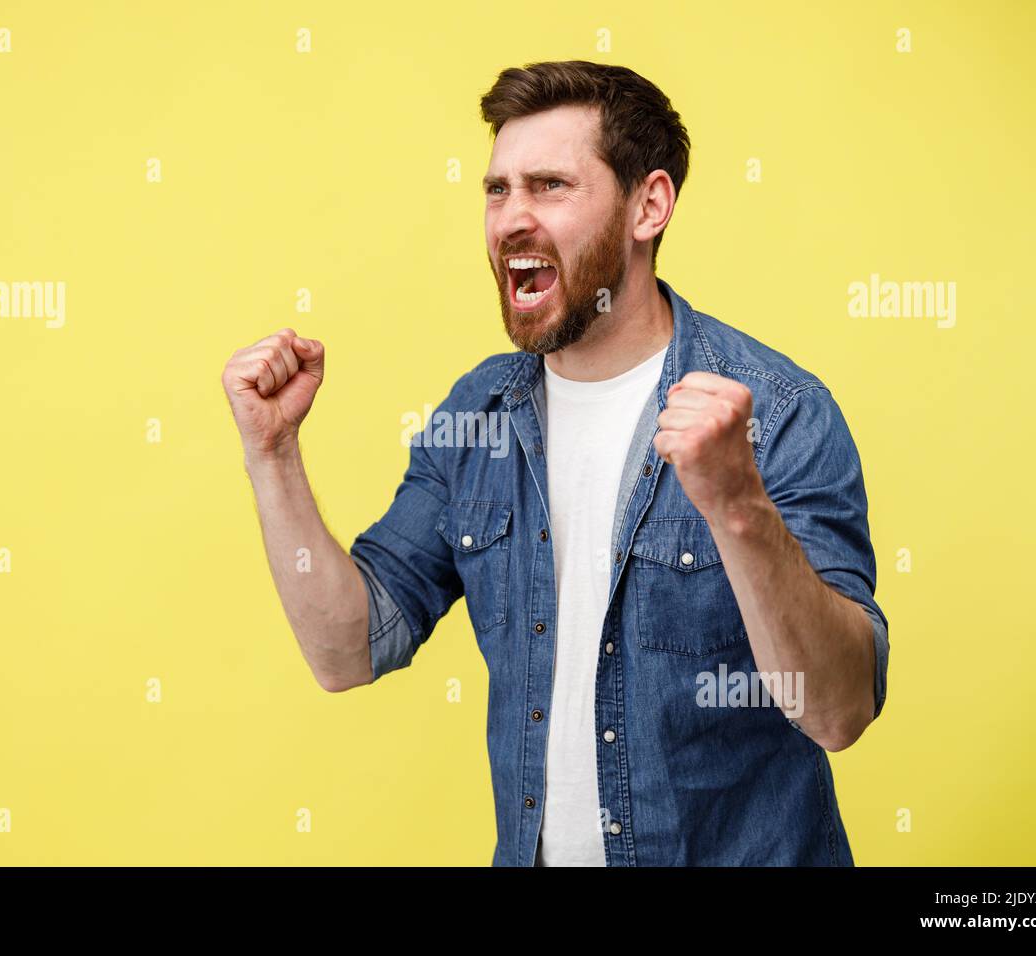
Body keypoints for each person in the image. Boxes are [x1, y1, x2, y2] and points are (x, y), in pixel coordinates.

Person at [220, 60, 889, 867]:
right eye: (497, 190)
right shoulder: (480, 418)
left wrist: (737, 503)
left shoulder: (777, 412)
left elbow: (840, 709)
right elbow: (349, 649)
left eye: (549, 186)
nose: (510, 219)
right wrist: (273, 453)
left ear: (649, 205)